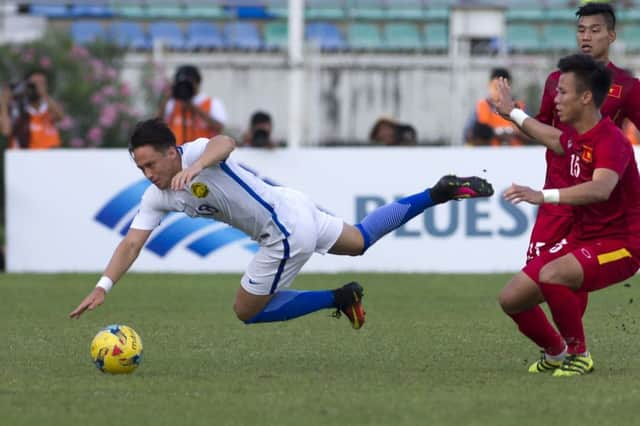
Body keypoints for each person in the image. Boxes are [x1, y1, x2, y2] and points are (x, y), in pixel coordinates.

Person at [69, 118, 494, 329]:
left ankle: (339, 298)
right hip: (294, 207)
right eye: (139, 167)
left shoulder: (197, 151)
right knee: (360, 240)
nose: (147, 174)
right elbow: (131, 244)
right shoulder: (157, 195)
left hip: (283, 231)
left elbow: (226, 142)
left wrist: (197, 166)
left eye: (149, 164)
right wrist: (102, 287)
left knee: (245, 311)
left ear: (169, 151)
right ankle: (438, 192)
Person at [495, 54, 640, 377]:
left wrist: (542, 195)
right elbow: (548, 135)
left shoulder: (612, 141)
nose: (555, 98)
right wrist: (512, 113)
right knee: (511, 298)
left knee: (553, 275)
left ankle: (580, 354)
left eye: (562, 92)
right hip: (583, 237)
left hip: (623, 244)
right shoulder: (575, 136)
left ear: (586, 97)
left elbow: (601, 188)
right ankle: (556, 352)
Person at [529, 2, 640, 263]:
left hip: (594, 201)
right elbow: (541, 125)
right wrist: (515, 116)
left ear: (611, 36)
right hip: (557, 193)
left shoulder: (627, 85)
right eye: (581, 30)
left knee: (570, 273)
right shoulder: (557, 80)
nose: (586, 37)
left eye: (594, 30)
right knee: (533, 275)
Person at [158, 64, 227, 146]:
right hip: (177, 153)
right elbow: (158, 125)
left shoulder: (212, 102)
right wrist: (166, 98)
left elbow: (219, 127)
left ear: (197, 83)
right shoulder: (172, 103)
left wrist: (193, 107)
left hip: (204, 154)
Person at [464, 68, 528, 147]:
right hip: (488, 155)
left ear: (510, 86)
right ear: (489, 85)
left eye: (503, 88)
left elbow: (534, 135)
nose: (499, 92)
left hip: (518, 155)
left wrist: (517, 132)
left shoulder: (520, 107)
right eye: (495, 87)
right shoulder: (480, 107)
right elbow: (467, 136)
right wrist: (486, 134)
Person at [0, 70, 63, 149]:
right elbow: (6, 131)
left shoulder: (48, 107)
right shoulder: (17, 109)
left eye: (41, 83)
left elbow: (60, 116)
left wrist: (44, 94)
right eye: (33, 84)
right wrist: (3, 102)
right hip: (25, 156)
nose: (36, 87)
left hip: (49, 155)